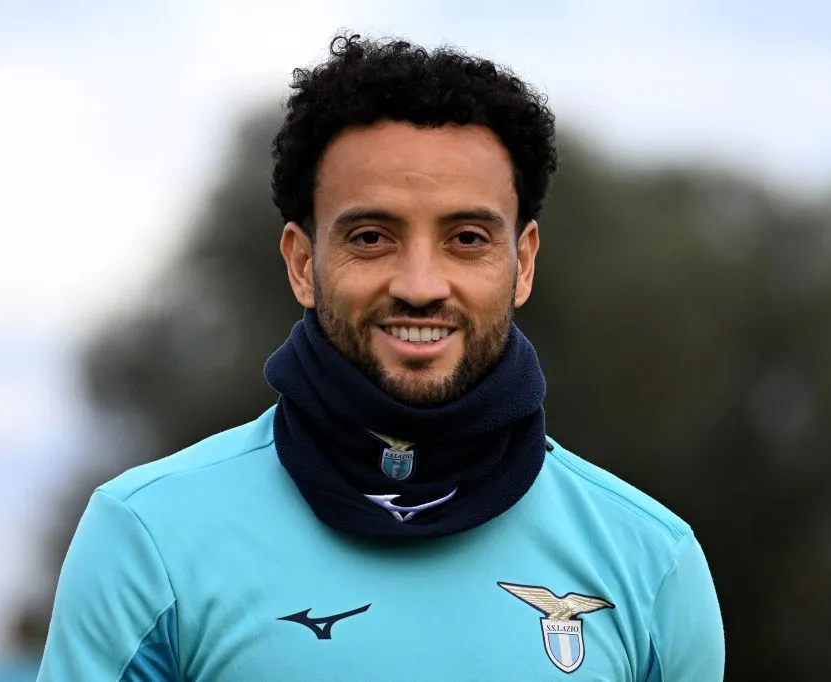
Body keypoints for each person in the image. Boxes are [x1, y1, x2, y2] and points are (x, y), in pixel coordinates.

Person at [38, 34, 725, 680]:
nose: (420, 286)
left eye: (466, 238)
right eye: (370, 237)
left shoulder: (652, 562)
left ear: (523, 262)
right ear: (303, 263)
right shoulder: (149, 539)